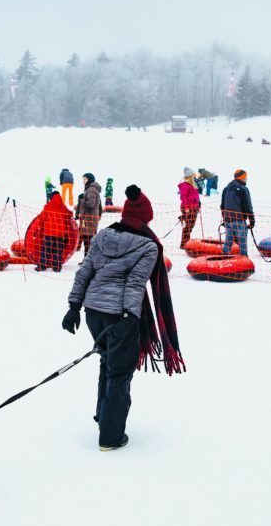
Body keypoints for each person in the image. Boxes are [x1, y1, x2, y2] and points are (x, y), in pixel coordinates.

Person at [63, 185, 185, 450]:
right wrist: (129, 316)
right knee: (119, 372)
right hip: (120, 315)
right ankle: (111, 437)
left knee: (107, 362)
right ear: (145, 217)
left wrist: (74, 306)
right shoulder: (148, 246)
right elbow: (135, 283)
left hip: (93, 312)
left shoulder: (103, 236)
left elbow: (85, 272)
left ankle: (104, 417)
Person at [35, 193, 74, 272]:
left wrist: (40, 223)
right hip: (60, 234)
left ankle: (42, 266)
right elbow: (69, 214)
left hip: (48, 233)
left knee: (45, 250)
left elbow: (42, 217)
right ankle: (57, 267)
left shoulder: (48, 206)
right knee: (58, 251)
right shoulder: (63, 207)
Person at [220, 169, 254, 256]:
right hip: (239, 220)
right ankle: (244, 259)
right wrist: (252, 220)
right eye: (245, 177)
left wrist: (224, 219)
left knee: (228, 241)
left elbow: (222, 206)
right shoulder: (243, 189)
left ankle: (224, 256)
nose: (246, 178)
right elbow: (248, 206)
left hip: (228, 220)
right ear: (241, 178)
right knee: (242, 242)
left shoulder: (226, 189)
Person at [75, 172, 103, 260]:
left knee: (88, 240)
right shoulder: (90, 189)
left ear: (89, 180)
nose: (83, 181)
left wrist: (82, 200)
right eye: (83, 179)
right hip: (88, 218)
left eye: (85, 179)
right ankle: (87, 260)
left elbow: (91, 203)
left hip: (89, 219)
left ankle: (88, 261)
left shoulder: (91, 189)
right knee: (87, 240)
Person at [178, 168, 201, 248]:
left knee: (191, 225)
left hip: (194, 207)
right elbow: (183, 196)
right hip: (188, 208)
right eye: (193, 175)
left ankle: (186, 241)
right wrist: (186, 207)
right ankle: (184, 243)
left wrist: (198, 205)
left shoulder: (192, 184)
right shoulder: (185, 184)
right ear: (189, 176)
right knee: (188, 226)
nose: (194, 176)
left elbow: (196, 195)